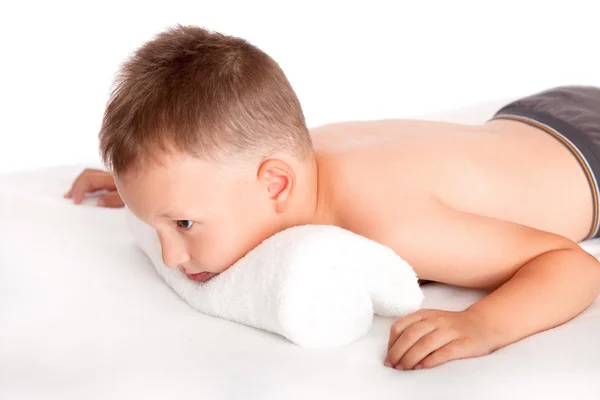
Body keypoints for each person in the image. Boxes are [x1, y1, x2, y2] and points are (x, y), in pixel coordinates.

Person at [64, 25, 600, 371]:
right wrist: (153, 192)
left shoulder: (389, 225)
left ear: (275, 184)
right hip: (534, 115)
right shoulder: (269, 160)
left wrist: (484, 324)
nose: (170, 258)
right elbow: (213, 167)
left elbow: (569, 263)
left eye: (183, 226)